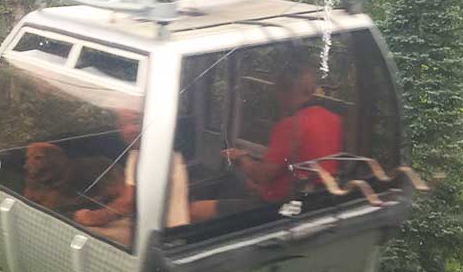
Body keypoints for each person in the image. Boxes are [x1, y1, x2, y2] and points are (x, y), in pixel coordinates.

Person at [73, 108, 215, 238]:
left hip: (162, 236)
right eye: (123, 124)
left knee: (83, 233)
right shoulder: (138, 153)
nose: (129, 130)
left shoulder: (154, 156)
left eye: (136, 122)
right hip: (150, 226)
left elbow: (128, 203)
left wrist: (94, 216)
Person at [223, 52, 343, 204]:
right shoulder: (333, 119)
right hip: (319, 200)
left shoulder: (290, 126)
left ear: (285, 92)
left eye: (277, 91)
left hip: (277, 207)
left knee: (196, 209)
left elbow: (262, 176)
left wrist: (241, 159)